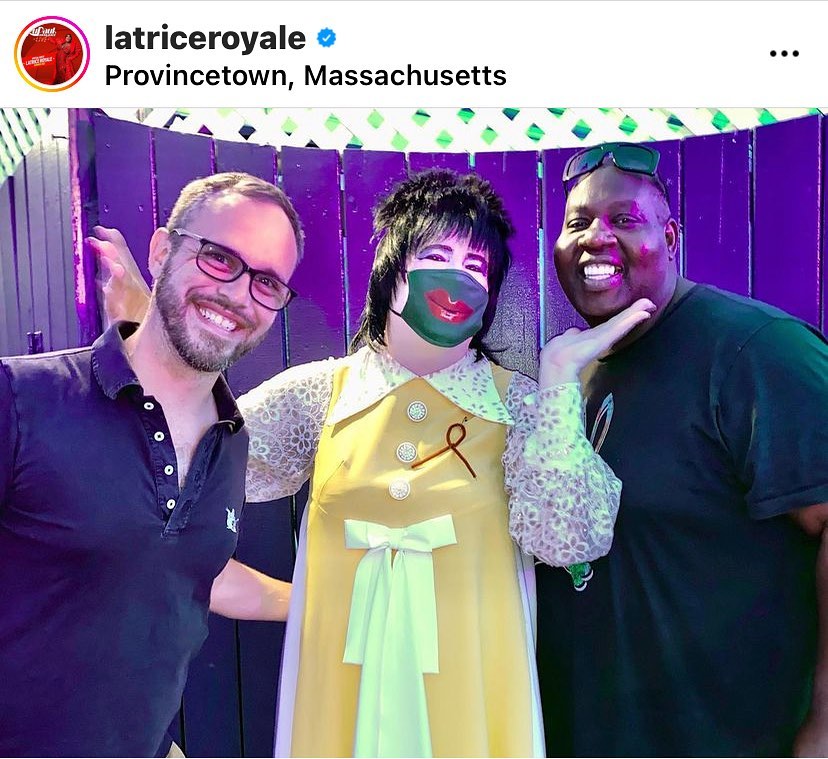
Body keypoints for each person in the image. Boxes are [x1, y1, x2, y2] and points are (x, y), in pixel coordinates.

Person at [96, 169, 654, 757]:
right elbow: (184, 463)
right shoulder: (321, 394)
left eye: (475, 266)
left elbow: (569, 540)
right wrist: (150, 331)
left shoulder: (517, 406)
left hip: (472, 700)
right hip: (340, 697)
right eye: (435, 255)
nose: (457, 277)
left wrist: (560, 382)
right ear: (391, 270)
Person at [535, 141, 828, 757]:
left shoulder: (756, 350)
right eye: (577, 223)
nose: (596, 238)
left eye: (624, 219)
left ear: (669, 238)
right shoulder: (574, 371)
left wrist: (824, 727)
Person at [0, 172, 298, 757]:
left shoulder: (230, 440)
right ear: (162, 251)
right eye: (219, 258)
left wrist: (330, 601)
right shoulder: (21, 398)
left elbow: (184, 567)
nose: (238, 295)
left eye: (266, 281)